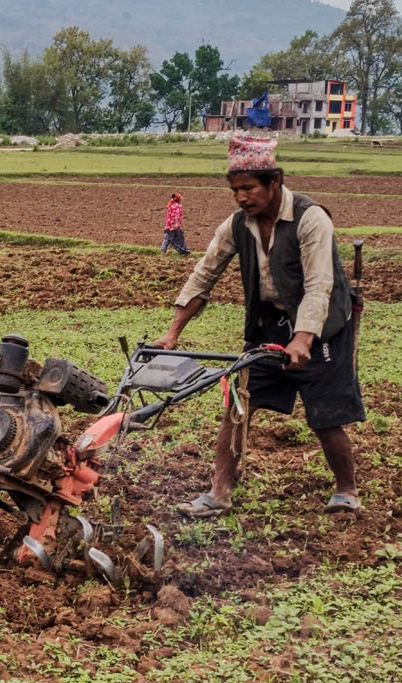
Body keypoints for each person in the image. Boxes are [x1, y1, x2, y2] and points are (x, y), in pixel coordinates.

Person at [150, 135, 364, 518]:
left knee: (326, 417)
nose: (241, 198)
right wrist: (172, 333)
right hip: (269, 327)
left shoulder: (310, 218)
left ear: (274, 182)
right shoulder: (237, 225)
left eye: (248, 188)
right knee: (237, 407)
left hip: (324, 329)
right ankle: (219, 494)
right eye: (235, 190)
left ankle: (346, 490)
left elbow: (319, 284)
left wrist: (303, 339)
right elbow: (204, 276)